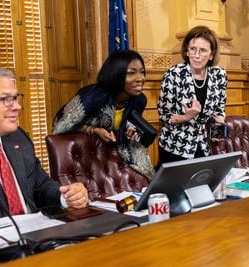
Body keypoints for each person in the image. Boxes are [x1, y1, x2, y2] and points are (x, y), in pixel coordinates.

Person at [0, 64, 89, 228]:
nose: (17, 106)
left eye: (15, 98)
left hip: (39, 237)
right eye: (5, 99)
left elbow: (40, 187)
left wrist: (66, 196)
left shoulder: (17, 137)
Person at [52, 50, 155, 179]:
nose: (140, 78)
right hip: (89, 159)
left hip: (118, 157)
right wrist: (93, 130)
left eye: (142, 72)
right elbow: (59, 126)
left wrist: (130, 132)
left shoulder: (139, 100)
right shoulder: (91, 97)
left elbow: (128, 125)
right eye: (131, 73)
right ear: (116, 74)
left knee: (152, 183)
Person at [157, 25, 227, 166]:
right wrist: (186, 117)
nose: (196, 55)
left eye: (202, 51)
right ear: (187, 51)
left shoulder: (219, 75)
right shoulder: (173, 74)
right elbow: (164, 116)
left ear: (211, 55)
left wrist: (218, 129)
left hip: (203, 146)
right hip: (175, 147)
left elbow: (219, 109)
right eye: (193, 49)